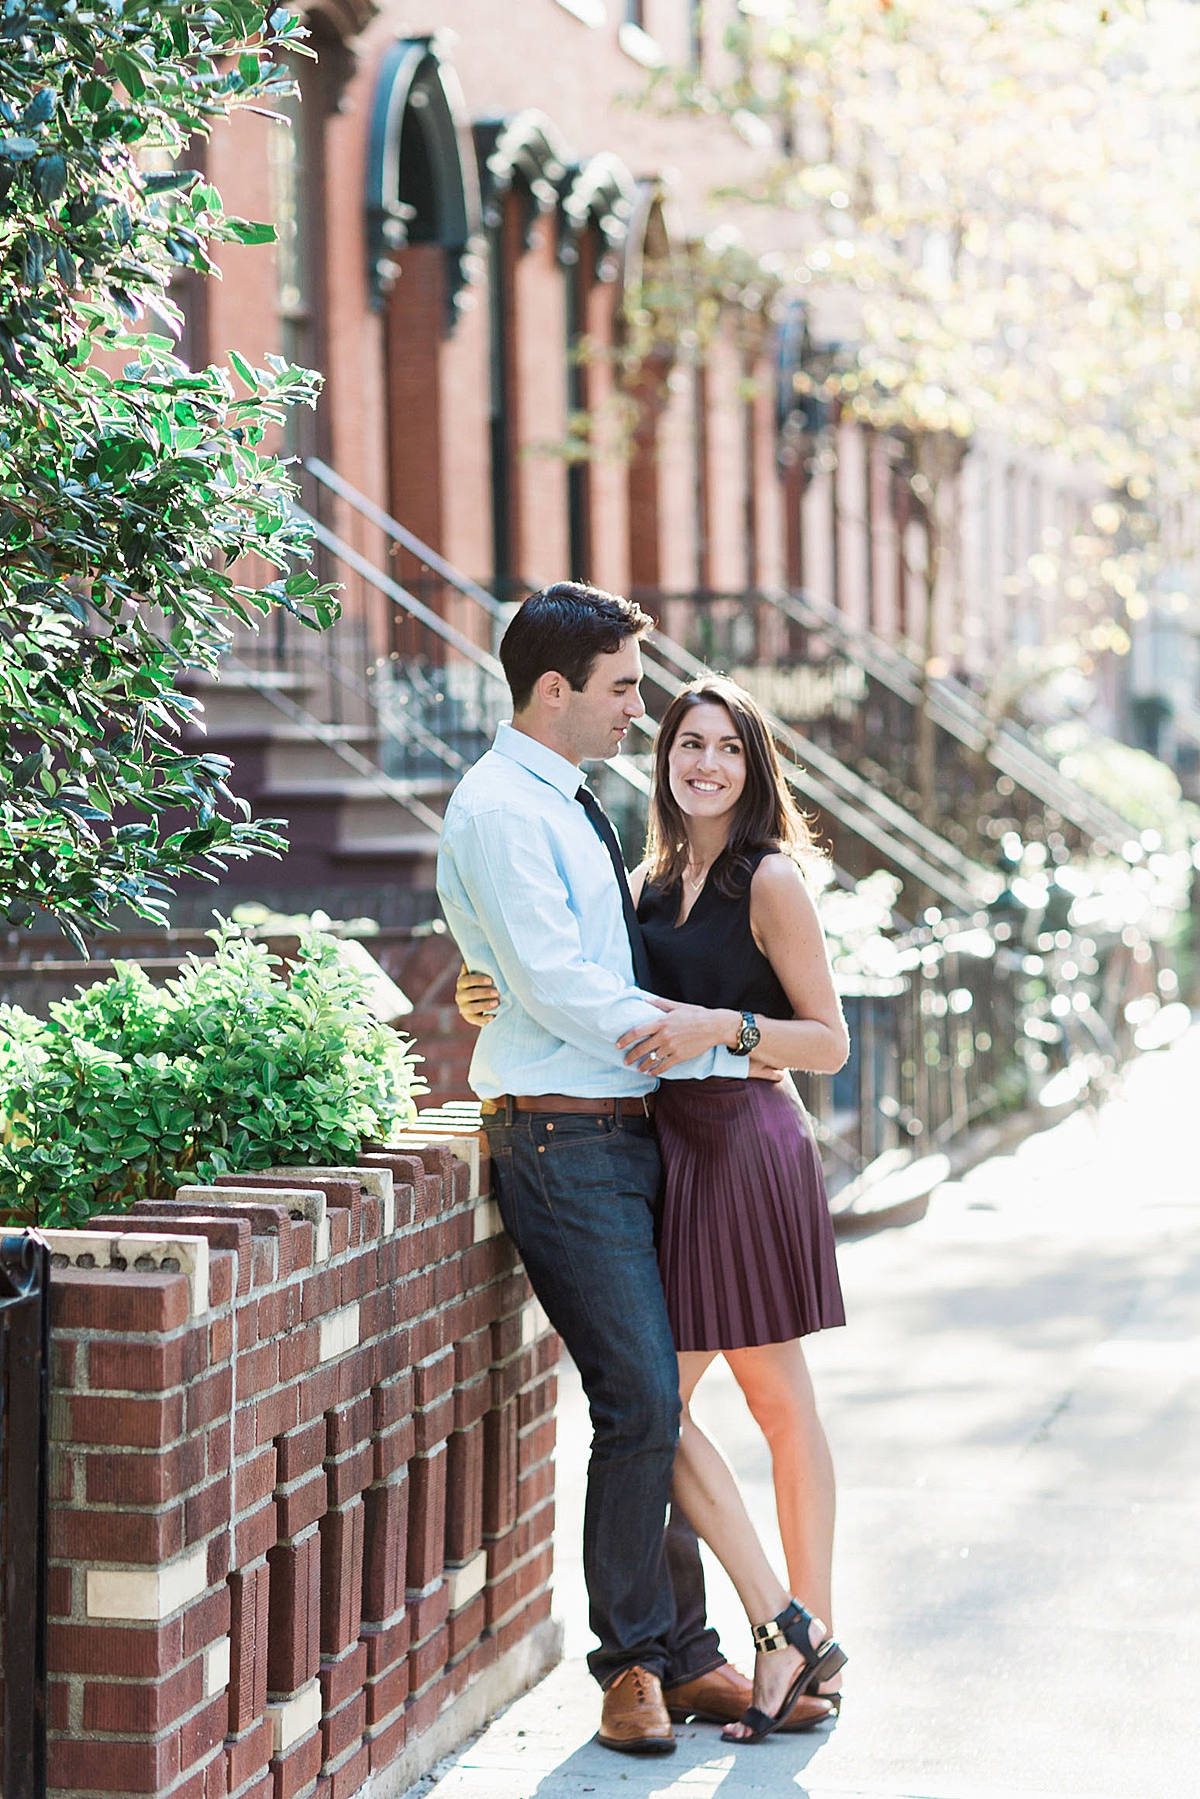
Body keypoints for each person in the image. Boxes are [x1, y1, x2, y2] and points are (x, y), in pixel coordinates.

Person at [457, 671, 850, 1744]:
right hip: (674, 1150)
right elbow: (576, 977)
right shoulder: (648, 881)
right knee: (685, 1406)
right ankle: (788, 1637)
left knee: (743, 1406)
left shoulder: (769, 878)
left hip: (747, 1149)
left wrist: (720, 1028)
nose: (706, 763)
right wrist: (486, 984)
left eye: (727, 747)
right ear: (666, 761)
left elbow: (829, 1041)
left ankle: (801, 1633)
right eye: (688, 745)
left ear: (753, 762)